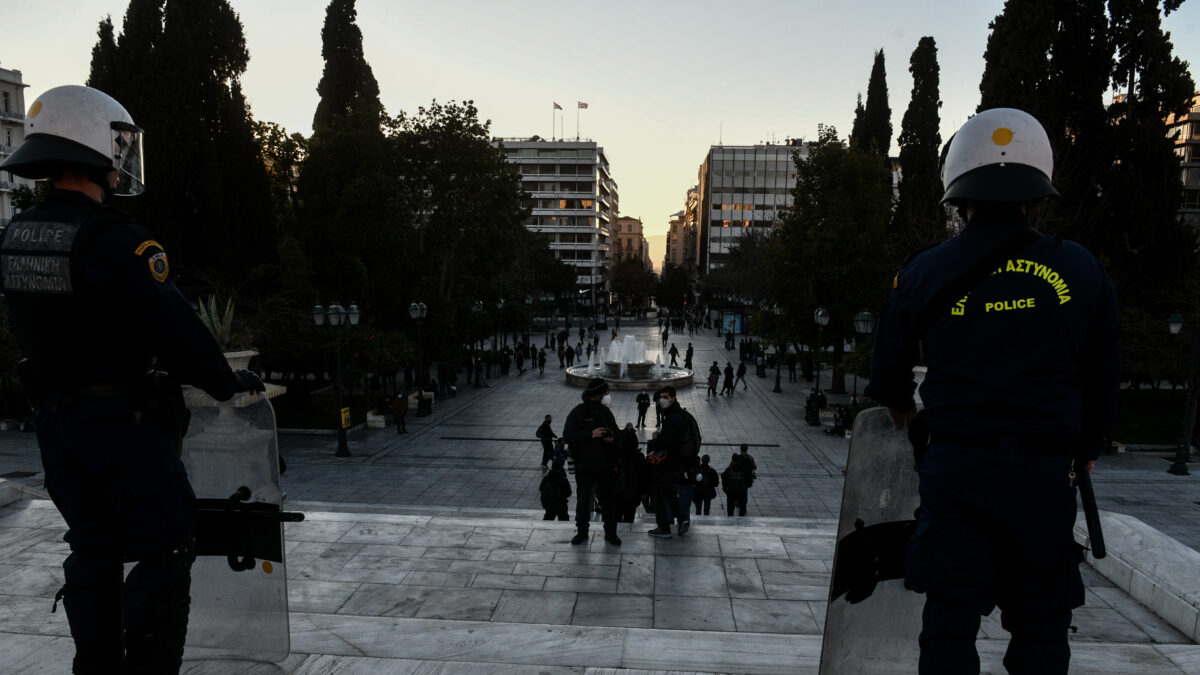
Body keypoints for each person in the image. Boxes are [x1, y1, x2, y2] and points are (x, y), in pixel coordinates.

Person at [0, 85, 266, 674]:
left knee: (92, 545)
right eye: (117, 143)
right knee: (165, 544)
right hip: (120, 423)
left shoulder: (17, 235)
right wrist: (225, 381)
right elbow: (173, 326)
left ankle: (94, 666)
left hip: (57, 424)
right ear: (91, 145)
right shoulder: (116, 239)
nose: (122, 157)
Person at [867, 108, 1121, 675]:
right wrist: (1089, 445)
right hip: (1044, 474)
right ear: (1036, 192)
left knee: (949, 623)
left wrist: (906, 412)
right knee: (1041, 628)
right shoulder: (1080, 268)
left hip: (958, 470)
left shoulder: (924, 270)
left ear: (958, 195)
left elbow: (887, 376)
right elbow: (1104, 375)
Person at [561, 378, 622, 546]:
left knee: (608, 502)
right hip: (585, 466)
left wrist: (612, 437)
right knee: (583, 501)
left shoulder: (605, 412)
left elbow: (617, 432)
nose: (607, 395)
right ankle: (582, 532)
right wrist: (590, 434)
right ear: (597, 394)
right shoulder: (578, 412)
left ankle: (611, 533)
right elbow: (567, 436)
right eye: (605, 393)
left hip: (605, 466)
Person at [645, 386, 686, 537]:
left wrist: (652, 443)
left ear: (673, 398)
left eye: (666, 397)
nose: (663, 400)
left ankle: (663, 528)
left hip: (668, 462)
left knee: (659, 493)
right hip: (675, 461)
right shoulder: (675, 413)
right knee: (669, 491)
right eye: (661, 396)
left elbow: (666, 442)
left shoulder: (673, 417)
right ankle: (682, 519)